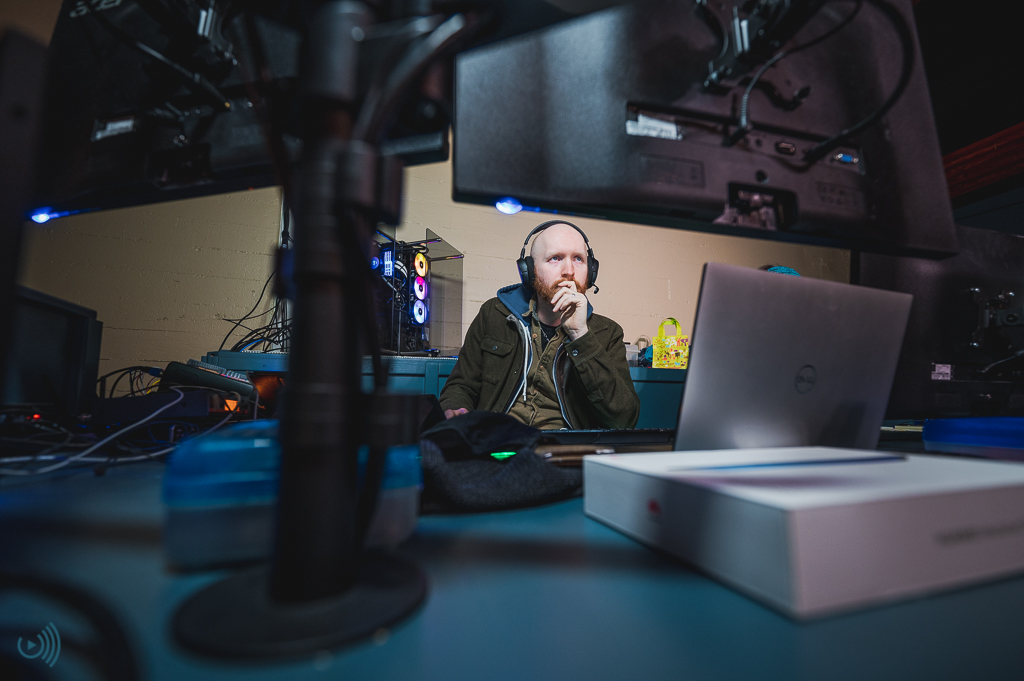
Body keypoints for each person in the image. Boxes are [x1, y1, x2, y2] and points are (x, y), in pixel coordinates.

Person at [439, 221, 640, 430]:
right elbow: (461, 386)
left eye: (578, 259)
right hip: (498, 439)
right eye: (555, 258)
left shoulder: (608, 333)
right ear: (530, 270)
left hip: (565, 445)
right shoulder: (494, 314)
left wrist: (581, 335)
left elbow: (624, 419)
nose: (569, 271)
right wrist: (456, 410)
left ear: (591, 271)